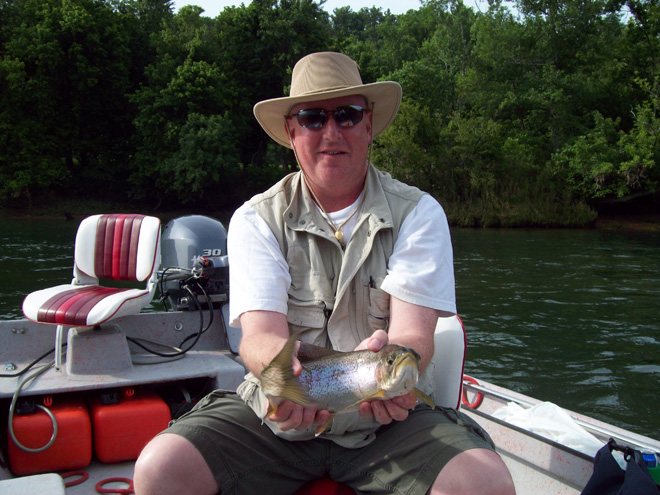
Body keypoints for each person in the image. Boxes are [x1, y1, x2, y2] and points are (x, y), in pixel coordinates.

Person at [134, 51, 515, 495]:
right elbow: (258, 338)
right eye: (313, 118)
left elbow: (414, 338)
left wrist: (398, 366)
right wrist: (283, 383)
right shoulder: (255, 220)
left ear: (368, 125)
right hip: (276, 420)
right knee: (161, 467)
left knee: (484, 483)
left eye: (348, 116)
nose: (331, 132)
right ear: (291, 132)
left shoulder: (419, 213)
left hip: (390, 426)